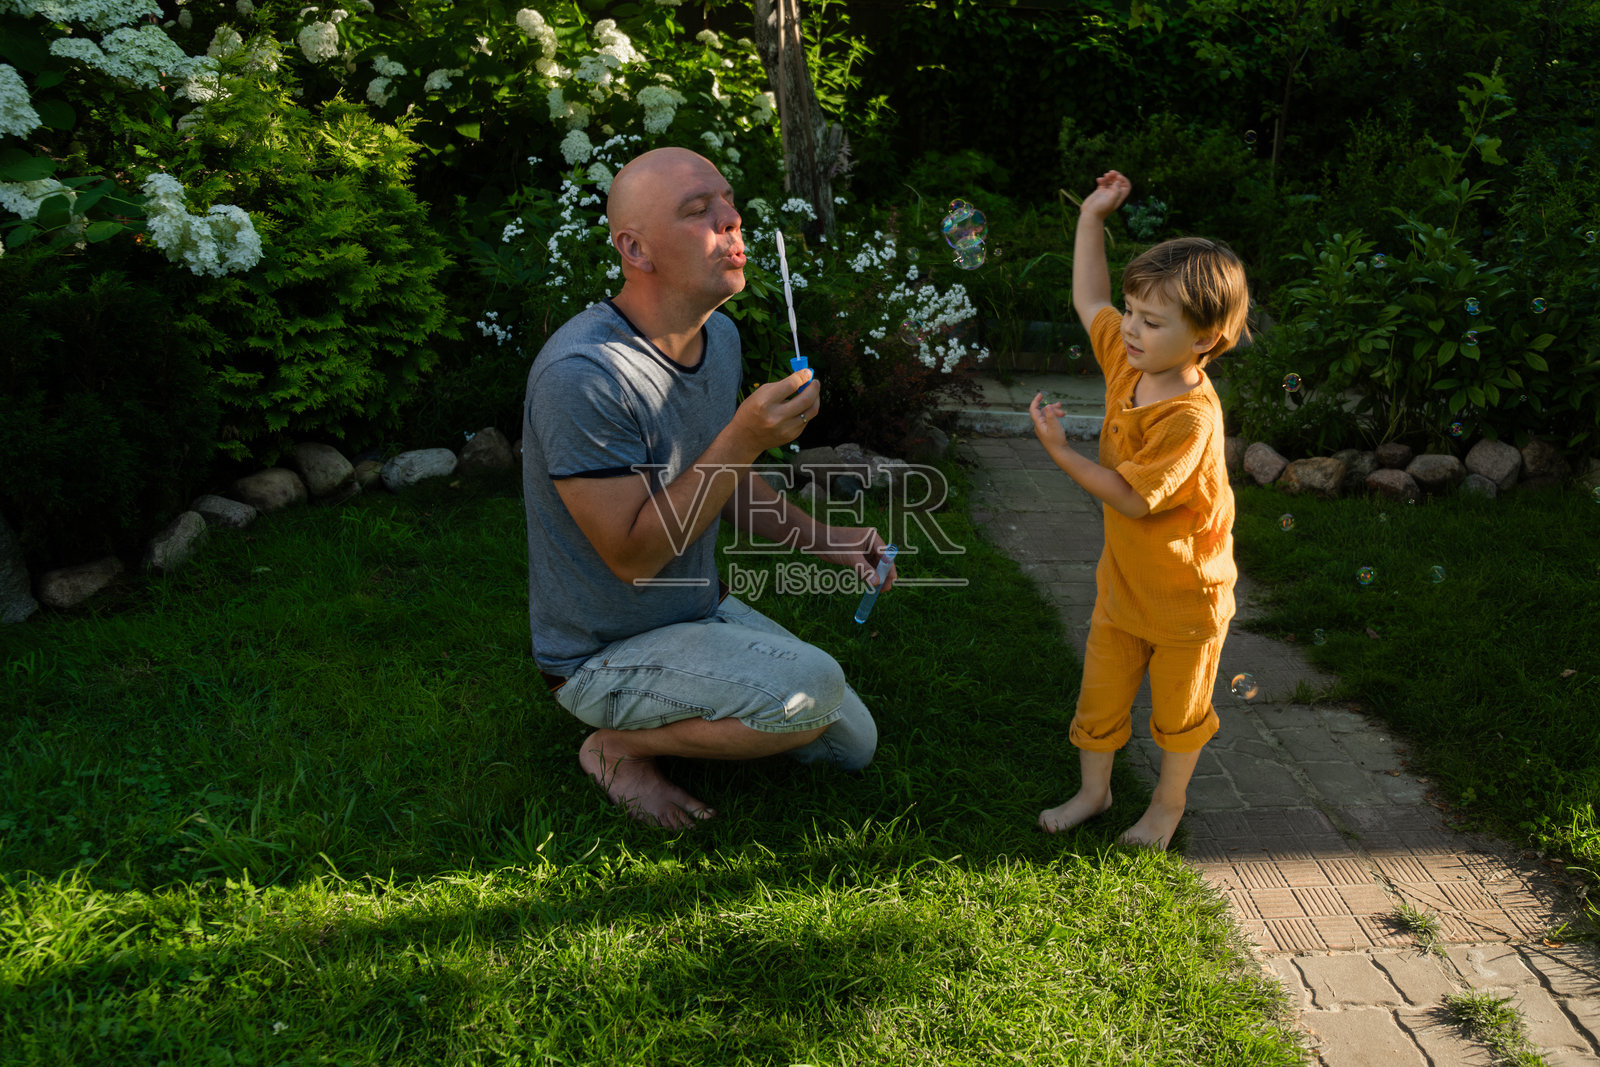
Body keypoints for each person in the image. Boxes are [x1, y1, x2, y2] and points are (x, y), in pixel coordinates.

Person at [521, 147, 892, 830]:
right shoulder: (584, 373)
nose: (732, 220)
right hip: (601, 651)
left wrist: (826, 540)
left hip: (693, 611)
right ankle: (611, 746)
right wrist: (742, 436)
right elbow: (631, 556)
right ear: (635, 248)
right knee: (806, 692)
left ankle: (687, 707)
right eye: (699, 211)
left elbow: (719, 481)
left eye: (727, 201)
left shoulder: (717, 337)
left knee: (851, 742)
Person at [1027, 170, 1250, 849]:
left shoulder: (1190, 418)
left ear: (1206, 339)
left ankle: (1166, 807)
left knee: (1180, 714)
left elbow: (1129, 494)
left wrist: (1061, 453)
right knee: (1099, 697)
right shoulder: (1131, 362)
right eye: (1132, 311)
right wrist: (1092, 215)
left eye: (1152, 322)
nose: (1129, 327)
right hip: (1124, 589)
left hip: (1188, 599)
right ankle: (1095, 792)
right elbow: (1089, 294)